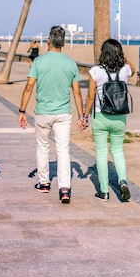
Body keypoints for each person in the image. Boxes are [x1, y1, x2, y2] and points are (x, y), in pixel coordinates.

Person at [18, 25, 85, 204]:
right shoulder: (70, 63)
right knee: (63, 150)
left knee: (42, 147)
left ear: (48, 40)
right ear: (63, 42)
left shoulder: (38, 62)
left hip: (43, 113)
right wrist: (82, 116)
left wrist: (22, 110)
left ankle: (44, 182)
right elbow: (77, 92)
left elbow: (29, 87)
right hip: (63, 113)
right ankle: (64, 188)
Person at [83, 39, 135, 202]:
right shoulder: (125, 70)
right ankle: (123, 181)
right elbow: (134, 69)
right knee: (118, 150)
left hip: (100, 116)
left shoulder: (95, 71)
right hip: (119, 116)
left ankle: (104, 191)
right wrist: (123, 57)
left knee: (101, 153)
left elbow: (91, 96)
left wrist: (85, 116)